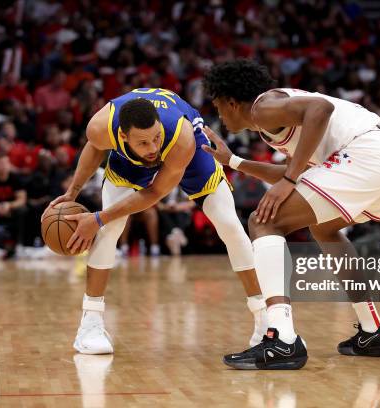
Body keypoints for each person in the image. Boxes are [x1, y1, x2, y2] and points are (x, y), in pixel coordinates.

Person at [202, 59, 380, 369]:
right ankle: (373, 331)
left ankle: (282, 339)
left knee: (264, 221)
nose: (220, 115)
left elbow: (319, 110)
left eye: (220, 107)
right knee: (325, 229)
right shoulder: (275, 116)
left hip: (369, 154)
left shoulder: (263, 108)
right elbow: (297, 173)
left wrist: (289, 180)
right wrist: (234, 161)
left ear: (232, 102)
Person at [47, 88, 267, 355]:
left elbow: (154, 193)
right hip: (129, 164)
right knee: (110, 228)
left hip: (189, 153)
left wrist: (97, 218)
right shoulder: (100, 127)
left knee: (230, 225)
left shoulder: (179, 136)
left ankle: (264, 321)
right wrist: (73, 192)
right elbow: (94, 148)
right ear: (123, 136)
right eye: (143, 143)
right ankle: (90, 322)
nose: (152, 149)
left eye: (155, 138)